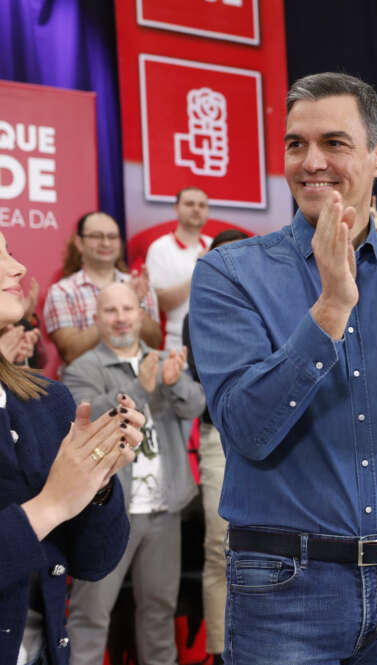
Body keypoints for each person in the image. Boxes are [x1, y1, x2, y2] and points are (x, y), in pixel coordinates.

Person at [189, 71, 377, 664]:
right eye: (295, 144)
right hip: (282, 584)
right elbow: (247, 431)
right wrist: (331, 306)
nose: (312, 162)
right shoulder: (229, 273)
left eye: (334, 143)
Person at [0, 231, 146, 665]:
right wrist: (53, 504)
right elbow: (53, 510)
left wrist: (96, 482)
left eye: (10, 250)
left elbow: (93, 562)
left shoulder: (47, 400)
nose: (18, 267)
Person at [63, 283, 204, 665]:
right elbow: (89, 424)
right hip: (108, 514)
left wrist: (173, 382)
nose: (121, 318)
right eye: (111, 311)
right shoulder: (80, 369)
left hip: (165, 509)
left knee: (159, 612)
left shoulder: (164, 358)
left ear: (142, 314)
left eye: (128, 308)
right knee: (90, 616)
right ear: (96, 319)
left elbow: (196, 405)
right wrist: (139, 387)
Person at [181, 228, 250, 665]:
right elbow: (209, 380)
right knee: (217, 546)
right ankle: (221, 653)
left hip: (279, 436)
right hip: (218, 438)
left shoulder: (279, 302)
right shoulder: (197, 313)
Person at [43, 212, 161, 366]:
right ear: (79, 242)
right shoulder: (62, 291)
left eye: (112, 237)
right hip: (87, 383)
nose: (105, 243)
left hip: (140, 378)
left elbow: (154, 342)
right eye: (96, 236)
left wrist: (135, 303)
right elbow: (71, 352)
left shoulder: (138, 286)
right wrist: (115, 312)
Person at [145, 187, 212, 349]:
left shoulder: (214, 245)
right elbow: (161, 302)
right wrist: (201, 272)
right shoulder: (160, 248)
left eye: (202, 205)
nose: (196, 209)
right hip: (177, 345)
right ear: (176, 208)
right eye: (189, 204)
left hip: (215, 340)